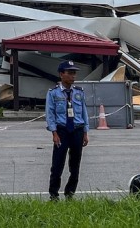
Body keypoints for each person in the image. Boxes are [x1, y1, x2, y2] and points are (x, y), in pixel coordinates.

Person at [45, 60, 89, 200]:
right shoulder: (53, 93)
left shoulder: (79, 92)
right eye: (69, 73)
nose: (73, 76)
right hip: (62, 130)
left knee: (75, 164)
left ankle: (70, 193)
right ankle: (54, 194)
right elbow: (50, 113)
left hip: (77, 130)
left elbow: (84, 112)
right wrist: (54, 132)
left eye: (74, 73)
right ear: (61, 74)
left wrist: (86, 132)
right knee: (57, 164)